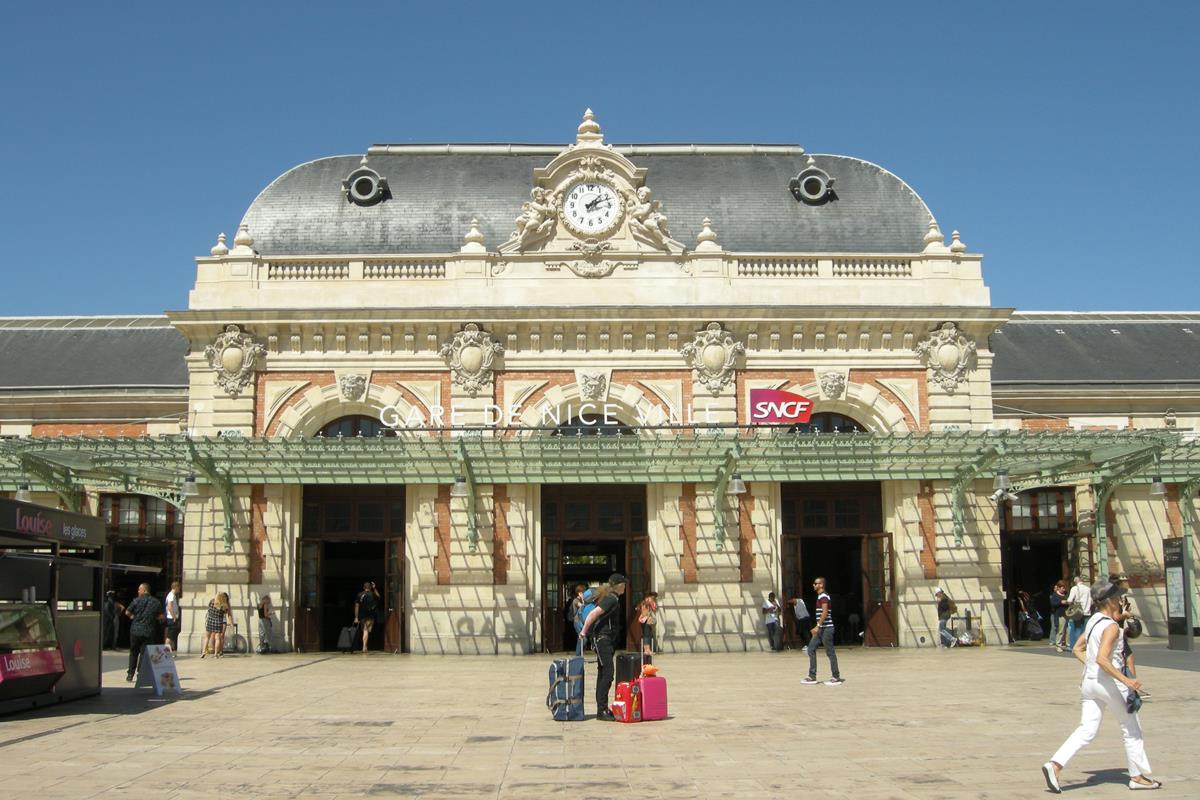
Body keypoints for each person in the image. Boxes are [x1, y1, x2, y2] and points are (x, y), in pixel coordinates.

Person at [1042, 579, 1160, 793]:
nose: (1119, 600)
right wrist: (1127, 680)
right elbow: (1103, 659)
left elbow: (1078, 649)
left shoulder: (1095, 620)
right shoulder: (1112, 627)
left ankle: (1055, 765)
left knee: (1087, 729)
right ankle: (1137, 777)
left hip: (1089, 683)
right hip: (1110, 684)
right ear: (1110, 601)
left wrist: (1122, 617)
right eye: (1116, 597)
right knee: (1131, 728)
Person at [577, 572, 627, 721]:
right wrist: (583, 632)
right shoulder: (611, 599)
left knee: (603, 672)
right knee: (608, 673)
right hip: (602, 640)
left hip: (606, 640)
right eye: (624, 584)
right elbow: (593, 614)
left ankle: (602, 708)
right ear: (619, 586)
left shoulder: (612, 598)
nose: (625, 587)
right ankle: (602, 710)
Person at [802, 577, 843, 685]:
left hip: (826, 629)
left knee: (830, 652)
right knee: (811, 649)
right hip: (821, 630)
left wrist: (817, 626)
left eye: (816, 583)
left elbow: (825, 612)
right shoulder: (820, 596)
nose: (814, 585)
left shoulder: (824, 596)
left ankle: (836, 676)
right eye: (814, 583)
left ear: (821, 585)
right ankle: (812, 676)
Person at [124, 583, 163, 682]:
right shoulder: (156, 602)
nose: (138, 591)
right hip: (148, 631)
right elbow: (161, 617)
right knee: (143, 653)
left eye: (139, 590)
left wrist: (133, 617)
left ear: (144, 590)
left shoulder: (136, 601)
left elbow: (127, 612)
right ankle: (140, 674)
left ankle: (130, 674)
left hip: (135, 630)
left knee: (133, 652)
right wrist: (154, 617)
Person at [202, 592, 234, 658]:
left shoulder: (212, 602)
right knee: (218, 639)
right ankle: (216, 654)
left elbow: (209, 610)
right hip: (218, 623)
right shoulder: (224, 606)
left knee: (207, 637)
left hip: (210, 621)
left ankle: (203, 652)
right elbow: (227, 613)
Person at [1066, 575, 1092, 648]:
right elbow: (1092, 601)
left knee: (1077, 629)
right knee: (1086, 630)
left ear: (1075, 581)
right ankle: (1086, 646)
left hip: (1078, 612)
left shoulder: (1074, 588)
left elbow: (1070, 600)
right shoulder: (1088, 589)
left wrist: (1067, 602)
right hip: (1087, 611)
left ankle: (1077, 646)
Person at [354, 581, 380, 654]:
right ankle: (364, 647)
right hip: (370, 615)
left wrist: (356, 617)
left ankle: (364, 646)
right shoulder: (373, 594)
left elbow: (356, 606)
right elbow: (378, 597)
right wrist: (374, 588)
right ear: (370, 587)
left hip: (362, 616)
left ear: (364, 587)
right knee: (366, 631)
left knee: (365, 630)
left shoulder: (359, 595)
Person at [1049, 580, 1069, 652]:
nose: (1064, 589)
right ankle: (1058, 645)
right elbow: (1053, 604)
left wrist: (1067, 602)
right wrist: (1060, 602)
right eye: (1062, 588)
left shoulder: (1066, 594)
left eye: (1064, 588)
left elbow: (1070, 601)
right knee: (1060, 630)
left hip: (1067, 614)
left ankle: (1068, 645)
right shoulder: (1055, 595)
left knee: (1067, 630)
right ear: (1058, 588)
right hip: (1060, 614)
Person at [163, 581, 182, 651]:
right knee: (170, 637)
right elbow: (169, 606)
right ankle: (166, 652)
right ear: (176, 587)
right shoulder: (171, 595)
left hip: (171, 618)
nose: (179, 590)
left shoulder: (172, 595)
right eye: (179, 588)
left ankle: (168, 651)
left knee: (171, 636)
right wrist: (174, 616)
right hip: (171, 618)